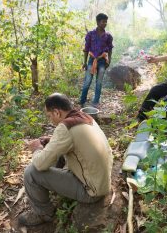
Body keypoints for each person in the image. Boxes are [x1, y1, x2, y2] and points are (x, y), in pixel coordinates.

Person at [18, 93, 113, 226]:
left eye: (50, 115)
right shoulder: (84, 117)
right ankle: (56, 188)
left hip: (91, 192)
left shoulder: (65, 128)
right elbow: (76, 141)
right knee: (55, 153)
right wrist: (52, 141)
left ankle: (44, 213)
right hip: (101, 182)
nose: (50, 119)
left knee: (31, 172)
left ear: (57, 112)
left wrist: (36, 149)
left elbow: (39, 165)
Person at [79, 13, 114, 108]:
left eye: (106, 22)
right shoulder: (90, 34)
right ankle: (82, 101)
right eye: (103, 21)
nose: (105, 23)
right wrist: (85, 62)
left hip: (102, 61)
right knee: (87, 81)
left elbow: (110, 49)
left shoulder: (108, 36)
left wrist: (109, 61)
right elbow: (86, 49)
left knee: (99, 82)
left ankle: (95, 102)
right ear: (98, 22)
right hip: (91, 60)